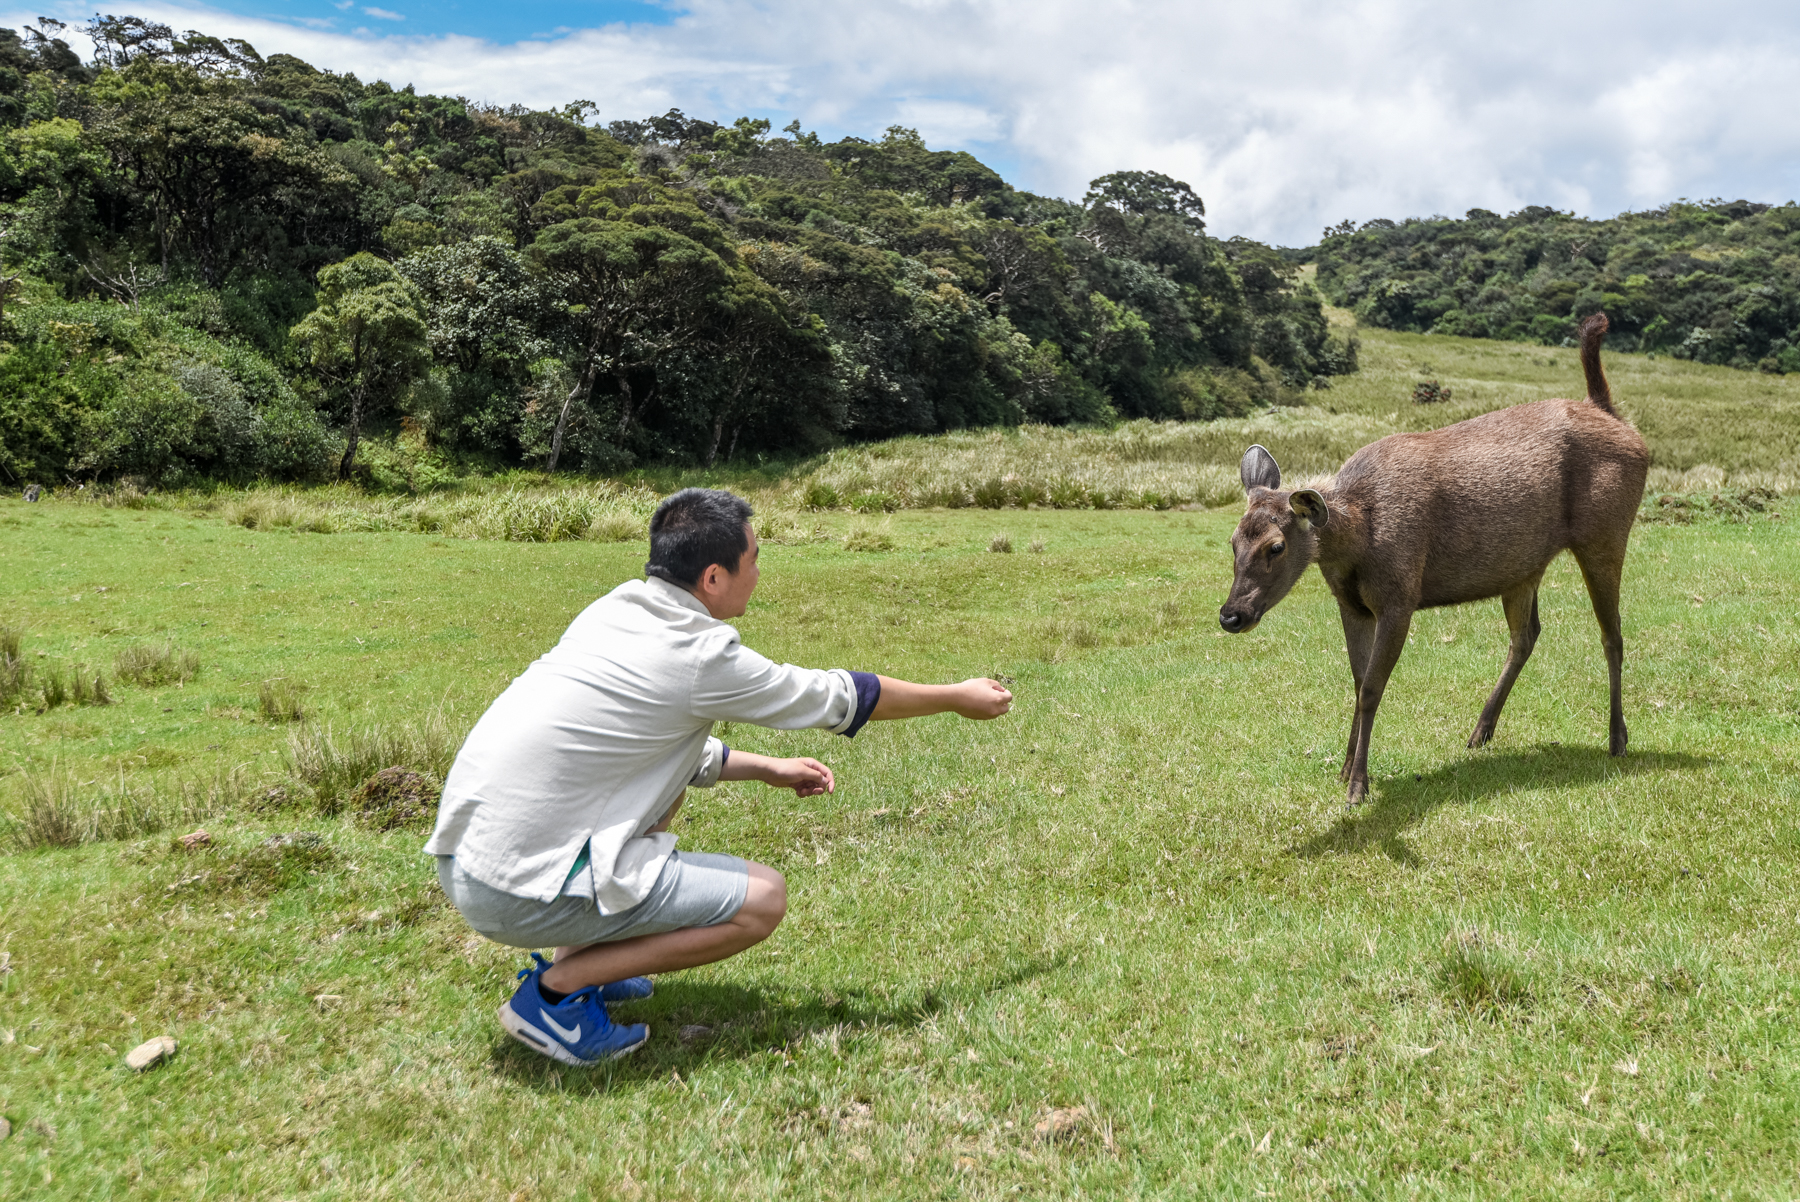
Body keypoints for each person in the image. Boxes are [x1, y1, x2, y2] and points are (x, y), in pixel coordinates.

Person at [426, 487, 1013, 1067]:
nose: (759, 571)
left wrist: (765, 769)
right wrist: (955, 697)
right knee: (762, 901)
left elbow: (653, 746)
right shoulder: (700, 654)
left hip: (472, 858)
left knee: (669, 789)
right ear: (712, 577)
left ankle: (591, 959)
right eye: (753, 559)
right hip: (516, 889)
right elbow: (838, 696)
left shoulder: (619, 607)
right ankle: (557, 992)